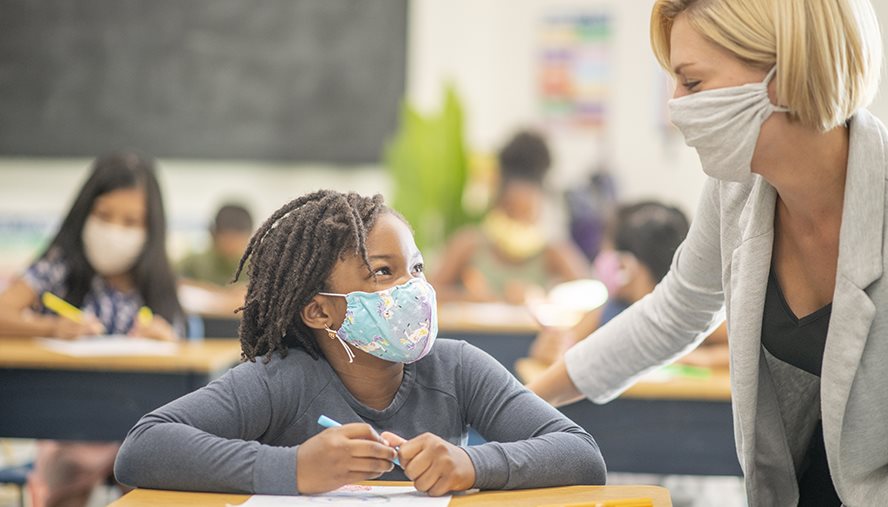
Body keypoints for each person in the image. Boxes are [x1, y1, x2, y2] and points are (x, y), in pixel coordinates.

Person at [528, 0, 887, 504]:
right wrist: (517, 407)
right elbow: (674, 312)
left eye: (691, 83)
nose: (676, 109)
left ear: (783, 73)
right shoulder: (736, 190)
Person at [113, 190, 606, 496]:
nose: (411, 288)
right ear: (320, 310)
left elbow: (581, 455)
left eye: (416, 268)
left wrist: (471, 463)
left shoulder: (456, 368)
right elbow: (142, 449)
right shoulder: (284, 378)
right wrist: (295, 468)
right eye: (382, 273)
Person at [0, 152, 185, 507]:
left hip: (138, 425)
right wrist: (51, 327)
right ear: (84, 213)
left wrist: (165, 338)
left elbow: (179, 345)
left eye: (131, 221)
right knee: (66, 488)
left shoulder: (157, 278)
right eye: (104, 216)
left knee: (147, 483)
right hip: (68, 426)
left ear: (151, 227)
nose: (115, 230)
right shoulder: (61, 264)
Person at [531, 201, 727, 367]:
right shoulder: (609, 312)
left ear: (626, 266)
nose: (602, 260)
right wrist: (549, 348)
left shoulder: (693, 313)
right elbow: (561, 349)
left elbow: (744, 349)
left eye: (608, 251)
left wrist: (703, 358)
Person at [432, 130, 589, 305]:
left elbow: (590, 295)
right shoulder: (469, 245)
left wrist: (541, 297)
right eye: (511, 211)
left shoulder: (552, 252)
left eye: (527, 212)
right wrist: (466, 298)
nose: (519, 220)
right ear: (496, 205)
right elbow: (428, 292)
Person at [178, 204, 253, 316]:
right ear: (214, 235)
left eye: (238, 240)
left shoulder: (257, 265)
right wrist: (220, 294)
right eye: (227, 239)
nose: (232, 246)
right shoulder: (194, 262)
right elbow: (173, 284)